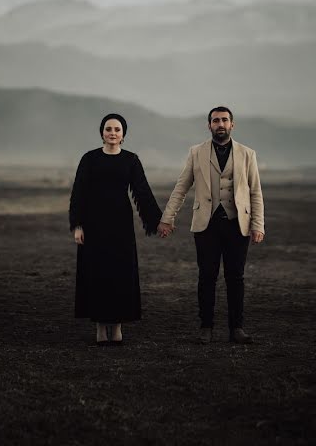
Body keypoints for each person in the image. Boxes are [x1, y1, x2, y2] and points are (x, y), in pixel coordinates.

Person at [157, 106, 265, 344]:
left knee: (236, 277)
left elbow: (255, 191)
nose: (220, 124)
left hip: (238, 225)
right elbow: (181, 187)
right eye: (215, 120)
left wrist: (258, 224)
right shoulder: (196, 153)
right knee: (207, 276)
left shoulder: (248, 154)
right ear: (209, 125)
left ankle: (237, 328)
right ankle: (206, 327)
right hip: (207, 226)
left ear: (232, 124)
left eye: (225, 120)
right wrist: (167, 217)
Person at [69, 113, 162, 345]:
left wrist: (159, 221)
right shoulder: (89, 159)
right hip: (93, 224)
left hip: (121, 224)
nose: (112, 133)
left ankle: (118, 327)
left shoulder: (131, 160)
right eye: (108, 129)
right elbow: (78, 193)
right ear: (102, 132)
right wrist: (77, 225)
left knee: (121, 273)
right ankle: (100, 328)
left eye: (117, 130)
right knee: (97, 273)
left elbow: (143, 192)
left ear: (123, 135)